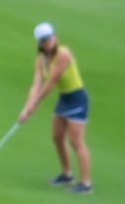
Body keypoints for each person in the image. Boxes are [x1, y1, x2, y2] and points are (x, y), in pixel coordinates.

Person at [18, 22, 93, 194]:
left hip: (77, 98)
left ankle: (86, 183)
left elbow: (51, 82)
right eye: (44, 40)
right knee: (57, 137)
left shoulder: (63, 54)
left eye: (50, 38)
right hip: (64, 99)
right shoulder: (41, 59)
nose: (48, 42)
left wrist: (35, 105)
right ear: (39, 42)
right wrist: (26, 108)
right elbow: (36, 84)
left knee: (76, 141)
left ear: (55, 37)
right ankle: (67, 174)